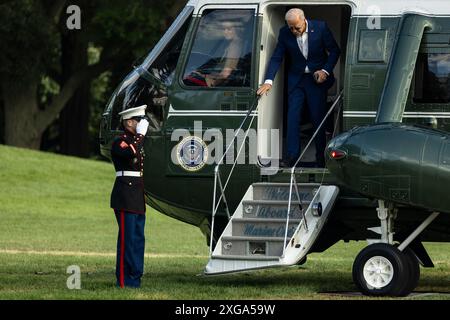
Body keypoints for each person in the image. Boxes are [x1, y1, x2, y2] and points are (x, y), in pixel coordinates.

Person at [257, 8, 341, 167]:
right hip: (296, 80)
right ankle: (291, 157)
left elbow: (335, 51)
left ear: (304, 20)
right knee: (292, 118)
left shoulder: (321, 27)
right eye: (291, 28)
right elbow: (277, 57)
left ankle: (321, 159)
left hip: (316, 81)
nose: (294, 31)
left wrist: (325, 70)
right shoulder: (284, 32)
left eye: (297, 27)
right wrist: (268, 81)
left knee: (318, 119)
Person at [110, 105, 149, 288]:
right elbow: (128, 153)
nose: (143, 124)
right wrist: (140, 136)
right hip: (125, 195)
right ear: (129, 122)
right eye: (139, 120)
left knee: (138, 239)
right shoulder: (120, 141)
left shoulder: (136, 140)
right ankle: (125, 280)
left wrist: (140, 137)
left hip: (137, 196)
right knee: (128, 241)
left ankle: (136, 277)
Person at [184, 21, 243, 87]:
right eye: (224, 29)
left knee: (187, 80)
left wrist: (211, 82)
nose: (225, 32)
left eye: (229, 29)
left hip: (222, 84)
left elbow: (226, 73)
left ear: (237, 30)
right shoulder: (231, 44)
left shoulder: (235, 46)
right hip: (218, 78)